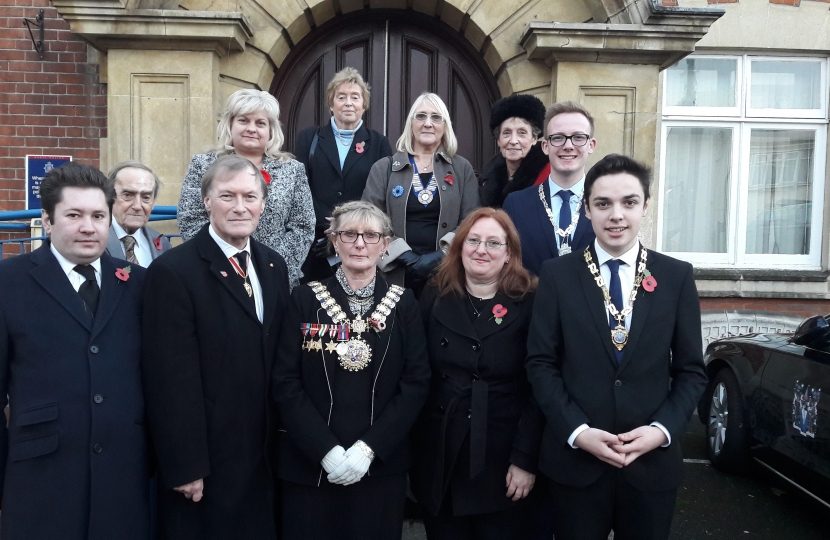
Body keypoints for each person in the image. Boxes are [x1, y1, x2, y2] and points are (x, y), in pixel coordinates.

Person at [525, 154, 707, 540]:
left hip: (651, 465)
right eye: (603, 204)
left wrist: (661, 431)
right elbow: (541, 364)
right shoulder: (558, 276)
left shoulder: (676, 277)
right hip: (575, 462)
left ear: (645, 206)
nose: (616, 215)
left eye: (629, 202)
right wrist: (577, 431)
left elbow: (691, 372)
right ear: (586, 210)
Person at [142, 155, 290, 539]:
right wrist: (185, 464)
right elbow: (168, 378)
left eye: (250, 196)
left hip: (264, 453)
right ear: (207, 201)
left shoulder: (274, 266)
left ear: (262, 203)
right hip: (208, 460)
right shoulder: (173, 271)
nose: (240, 207)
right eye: (227, 196)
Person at [0, 162, 150, 539]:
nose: (89, 227)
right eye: (74, 215)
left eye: (99, 215)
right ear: (47, 221)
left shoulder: (139, 284)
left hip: (123, 481)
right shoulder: (9, 282)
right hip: (40, 480)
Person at [274, 200, 431, 539]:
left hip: (378, 466)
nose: (360, 244)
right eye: (349, 234)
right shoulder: (304, 299)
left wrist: (368, 449)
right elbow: (285, 382)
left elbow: (416, 383)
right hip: (310, 465)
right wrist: (325, 450)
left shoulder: (404, 304)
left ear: (386, 244)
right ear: (334, 240)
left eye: (371, 235)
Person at [412, 208, 543, 540]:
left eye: (493, 243)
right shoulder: (435, 292)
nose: (481, 250)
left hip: (502, 459)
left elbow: (539, 388)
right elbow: (416, 372)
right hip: (440, 453)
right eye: (473, 240)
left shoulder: (530, 300)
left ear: (509, 253)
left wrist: (525, 460)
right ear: (459, 247)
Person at [177, 88, 314, 289]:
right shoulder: (203, 165)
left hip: (274, 278)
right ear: (230, 125)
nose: (252, 128)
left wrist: (273, 266)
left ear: (270, 131)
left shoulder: (292, 170)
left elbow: (303, 225)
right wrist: (223, 264)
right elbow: (191, 218)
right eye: (243, 121)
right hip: (215, 276)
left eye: (260, 123)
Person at [363, 92, 480, 297]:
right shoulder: (384, 168)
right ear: (411, 124)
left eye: (436, 117)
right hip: (393, 273)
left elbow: (471, 222)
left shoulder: (462, 169)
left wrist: (441, 256)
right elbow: (369, 221)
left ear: (445, 126)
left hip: (446, 274)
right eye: (421, 116)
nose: (428, 123)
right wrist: (404, 255)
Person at [295, 67, 393, 282]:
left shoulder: (379, 143)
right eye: (341, 97)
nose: (348, 102)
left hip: (361, 243)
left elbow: (382, 194)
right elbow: (300, 188)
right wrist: (328, 227)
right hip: (316, 243)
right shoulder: (308, 138)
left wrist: (346, 227)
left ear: (363, 105)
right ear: (331, 103)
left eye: (355, 97)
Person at [503, 101, 597, 276]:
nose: (568, 146)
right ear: (545, 146)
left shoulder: (605, 204)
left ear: (591, 145)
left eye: (578, 137)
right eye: (558, 137)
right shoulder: (516, 204)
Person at [479, 94, 550, 208]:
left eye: (522, 133)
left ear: (534, 139)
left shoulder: (549, 175)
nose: (513, 141)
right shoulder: (486, 177)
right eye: (506, 133)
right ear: (498, 140)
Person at [105, 160, 172, 266]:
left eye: (146, 197)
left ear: (153, 202)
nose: (137, 206)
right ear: (110, 197)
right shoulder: (94, 239)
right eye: (127, 195)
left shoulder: (163, 244)